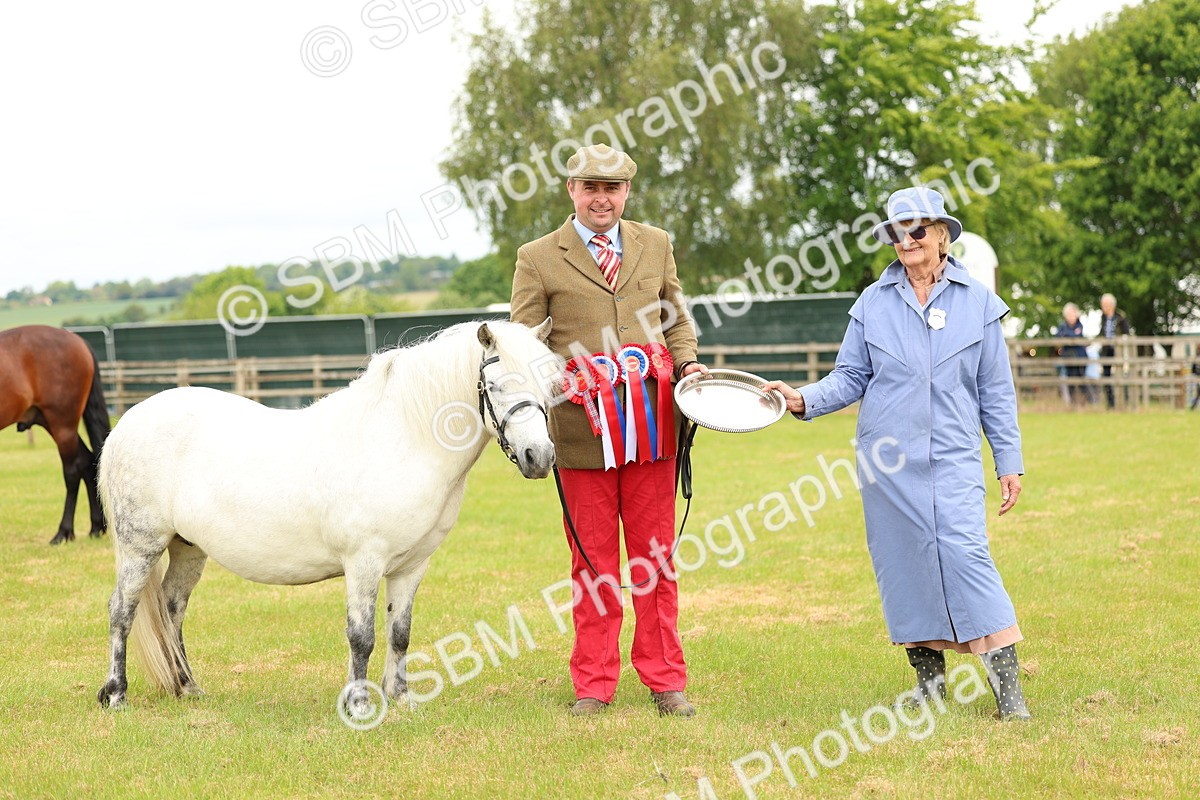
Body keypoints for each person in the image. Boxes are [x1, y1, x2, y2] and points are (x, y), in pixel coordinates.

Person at [764, 187, 1031, 721]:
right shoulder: (871, 303)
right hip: (886, 464)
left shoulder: (977, 302)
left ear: (940, 235)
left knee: (965, 557)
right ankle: (931, 689)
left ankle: (1010, 693)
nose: (906, 240)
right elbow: (851, 376)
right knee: (905, 570)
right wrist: (802, 399)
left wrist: (1008, 460)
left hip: (954, 459)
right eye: (896, 230)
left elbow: (995, 391)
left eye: (917, 229)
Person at [510, 143, 707, 717]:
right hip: (580, 434)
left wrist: (689, 363)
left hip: (653, 430)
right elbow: (524, 344)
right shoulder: (538, 256)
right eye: (590, 187)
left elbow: (677, 317)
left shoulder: (657, 243)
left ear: (626, 192)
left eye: (612, 188)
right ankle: (593, 684)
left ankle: (665, 678)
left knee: (656, 562)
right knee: (592, 565)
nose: (602, 198)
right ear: (571, 191)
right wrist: (562, 379)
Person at [1098, 293, 1131, 408]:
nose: (1103, 307)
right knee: (1105, 375)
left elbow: (1126, 333)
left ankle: (1124, 401)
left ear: (1112, 305)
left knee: (1122, 374)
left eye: (1105, 305)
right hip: (1106, 350)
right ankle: (1110, 402)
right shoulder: (1102, 317)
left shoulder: (1120, 317)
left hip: (1119, 350)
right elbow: (1102, 333)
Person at [1054, 302, 1088, 405]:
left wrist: (1066, 336)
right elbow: (1057, 338)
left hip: (1080, 357)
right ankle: (1072, 403)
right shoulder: (1062, 326)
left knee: (1081, 380)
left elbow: (1076, 336)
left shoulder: (1079, 325)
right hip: (1068, 357)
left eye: (1072, 314)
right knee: (1070, 381)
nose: (1071, 317)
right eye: (1069, 315)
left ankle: (1083, 402)